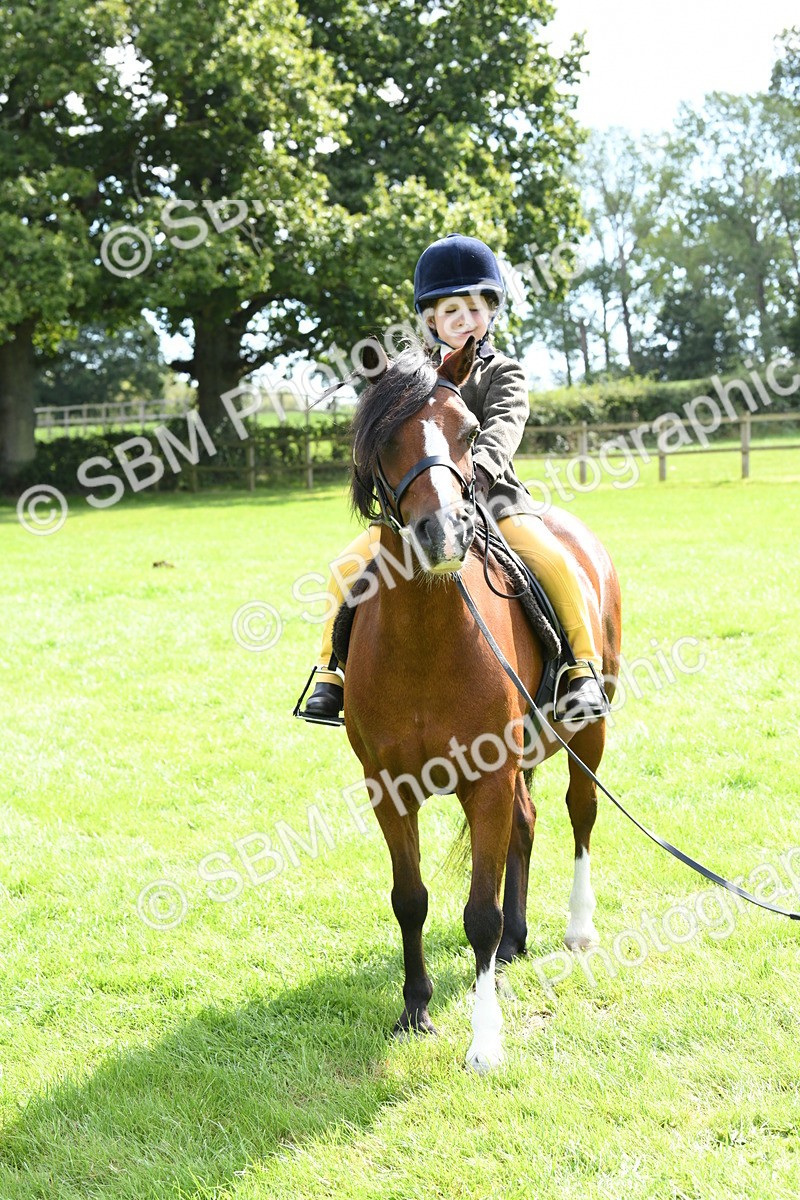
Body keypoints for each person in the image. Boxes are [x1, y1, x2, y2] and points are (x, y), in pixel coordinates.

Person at [301, 233, 608, 723]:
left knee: (552, 558)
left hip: (495, 502)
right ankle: (329, 675)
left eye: (475, 307)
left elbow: (504, 428)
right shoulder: (410, 377)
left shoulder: (504, 371)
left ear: (491, 311)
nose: (465, 319)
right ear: (429, 320)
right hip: (419, 507)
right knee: (347, 565)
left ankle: (582, 668)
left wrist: (477, 476)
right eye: (451, 311)